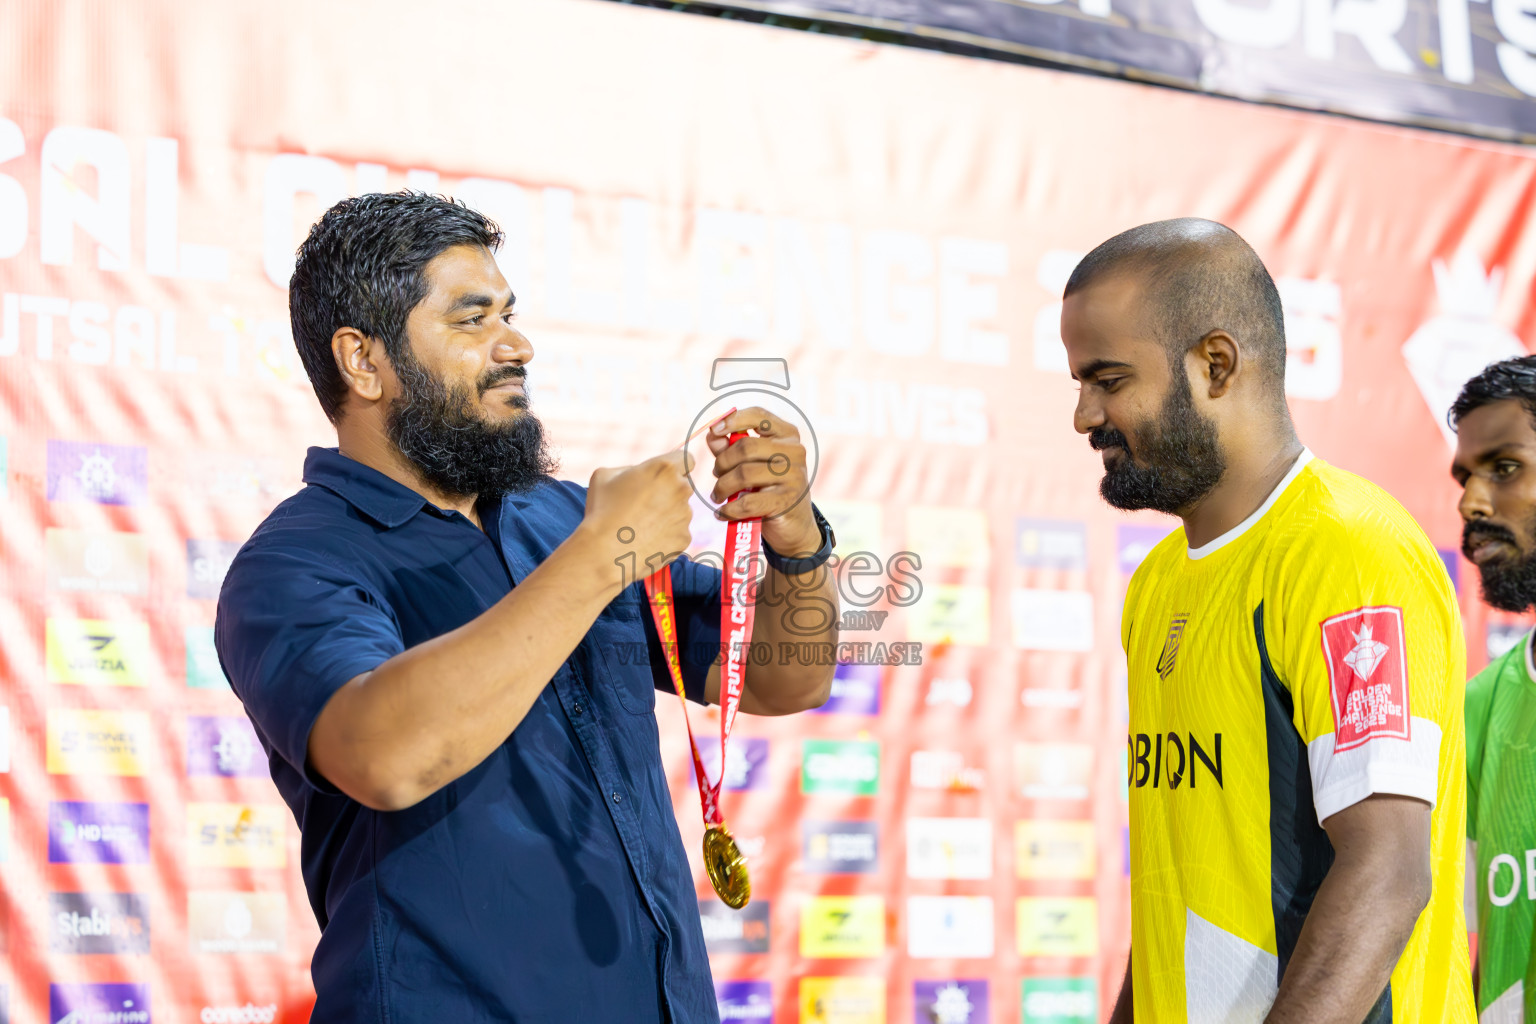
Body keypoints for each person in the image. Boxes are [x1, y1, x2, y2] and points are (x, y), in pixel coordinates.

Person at [214, 192, 839, 1023]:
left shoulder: (563, 520)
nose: (518, 346)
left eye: (509, 314)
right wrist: (597, 558)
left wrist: (797, 541)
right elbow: (385, 755)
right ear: (363, 362)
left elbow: (781, 681)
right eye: (472, 321)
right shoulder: (294, 563)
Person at [1061, 218, 1475, 1023]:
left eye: (1109, 379)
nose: (1084, 415)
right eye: (1079, 383)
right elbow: (1178, 887)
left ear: (1215, 364)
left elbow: (1388, 873)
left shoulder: (1349, 552)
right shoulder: (1157, 583)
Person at [1450, 356, 1536, 1023]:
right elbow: (1495, 952)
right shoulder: (1478, 707)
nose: (1471, 503)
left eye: (1505, 468)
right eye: (1466, 476)